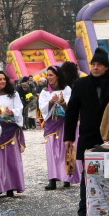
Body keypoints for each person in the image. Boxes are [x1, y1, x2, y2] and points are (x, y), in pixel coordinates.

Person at [64, 48, 109, 216]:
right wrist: (68, 137)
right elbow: (71, 112)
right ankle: (84, 213)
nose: (95, 67)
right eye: (93, 64)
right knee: (88, 176)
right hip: (88, 136)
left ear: (106, 67)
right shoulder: (81, 84)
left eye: (99, 65)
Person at [39, 63, 82, 191]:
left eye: (51, 75)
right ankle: (52, 179)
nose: (49, 78)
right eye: (47, 75)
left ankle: (66, 177)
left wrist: (63, 102)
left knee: (65, 150)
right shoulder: (44, 91)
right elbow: (42, 108)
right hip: (51, 125)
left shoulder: (67, 89)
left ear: (57, 76)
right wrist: (51, 102)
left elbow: (71, 107)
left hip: (64, 124)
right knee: (52, 151)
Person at [0, 70, 26, 198]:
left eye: (4, 79)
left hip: (10, 130)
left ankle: (10, 186)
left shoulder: (12, 94)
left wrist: (11, 112)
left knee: (11, 159)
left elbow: (19, 109)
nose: (3, 81)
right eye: (0, 79)